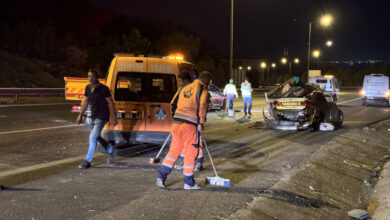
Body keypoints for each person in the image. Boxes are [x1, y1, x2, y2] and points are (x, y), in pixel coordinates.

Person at [157, 71, 211, 190]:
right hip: (190, 126)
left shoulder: (184, 88)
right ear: (207, 81)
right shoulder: (203, 90)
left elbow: (173, 103)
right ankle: (188, 183)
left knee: (173, 151)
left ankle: (161, 177)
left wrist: (177, 117)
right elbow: (202, 106)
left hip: (177, 124)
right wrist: (201, 122)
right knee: (190, 153)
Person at [77, 68, 118, 169]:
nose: (89, 78)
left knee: (92, 137)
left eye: (91, 76)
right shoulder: (88, 88)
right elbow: (85, 102)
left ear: (96, 77)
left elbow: (110, 103)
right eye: (88, 76)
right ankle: (111, 150)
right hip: (93, 116)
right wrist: (80, 115)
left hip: (102, 116)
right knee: (96, 138)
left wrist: (113, 117)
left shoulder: (104, 89)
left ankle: (87, 161)